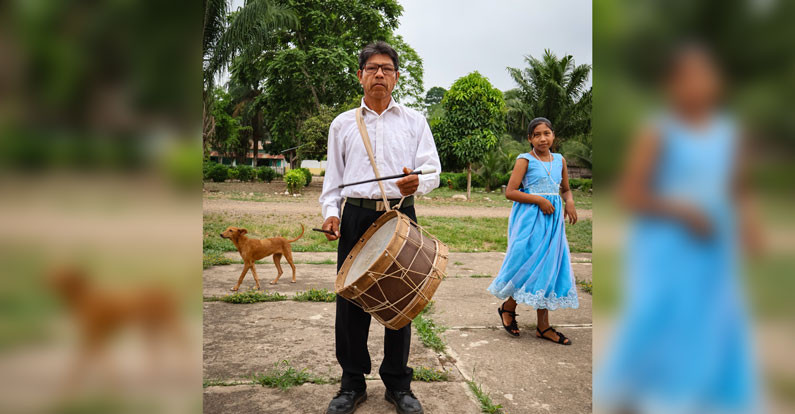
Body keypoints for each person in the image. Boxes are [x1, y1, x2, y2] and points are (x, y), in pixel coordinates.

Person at [594, 44, 762, 414]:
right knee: (659, 314)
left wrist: (750, 226)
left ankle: (707, 395)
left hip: (715, 242)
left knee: (715, 317)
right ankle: (638, 392)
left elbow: (738, 186)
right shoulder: (658, 132)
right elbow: (630, 193)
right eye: (689, 76)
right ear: (670, 85)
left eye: (707, 75)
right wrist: (680, 210)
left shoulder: (728, 133)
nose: (700, 84)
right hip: (666, 241)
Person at [319, 41, 441, 414]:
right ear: (360, 76)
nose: (379, 75)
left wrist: (416, 183)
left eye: (387, 69)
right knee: (351, 303)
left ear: (396, 77)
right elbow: (334, 183)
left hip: (400, 216)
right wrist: (331, 213)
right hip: (356, 217)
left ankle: (398, 385)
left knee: (401, 300)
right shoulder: (342, 124)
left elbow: (432, 169)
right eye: (372, 68)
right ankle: (351, 384)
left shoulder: (415, 121)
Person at [487, 117, 579, 343]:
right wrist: (538, 200)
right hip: (529, 220)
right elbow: (510, 191)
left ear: (553, 135)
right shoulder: (525, 160)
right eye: (536, 134)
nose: (542, 138)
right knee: (525, 264)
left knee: (549, 268)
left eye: (546, 133)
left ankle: (543, 326)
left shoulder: (560, 160)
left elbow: (565, 189)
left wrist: (569, 202)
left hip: (553, 222)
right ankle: (508, 307)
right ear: (530, 139)